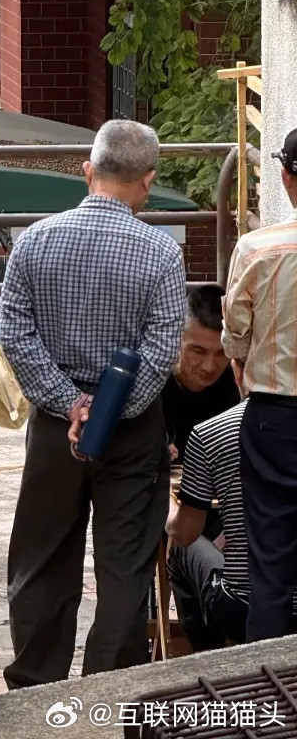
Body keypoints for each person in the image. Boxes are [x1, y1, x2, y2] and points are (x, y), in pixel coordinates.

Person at [0, 119, 187, 688]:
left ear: (88, 170)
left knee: (42, 558)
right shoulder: (161, 253)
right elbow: (160, 352)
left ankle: (37, 685)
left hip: (57, 429)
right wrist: (106, 412)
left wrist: (69, 404)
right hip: (130, 432)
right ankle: (110, 692)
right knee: (124, 563)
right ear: (147, 181)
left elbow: (15, 332)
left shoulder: (35, 240)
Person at [222, 127, 297, 641]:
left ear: (286, 176)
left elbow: (235, 333)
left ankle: (269, 693)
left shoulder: (257, 249)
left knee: (269, 562)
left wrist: (243, 363)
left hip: (276, 416)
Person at [166, 392, 279, 651]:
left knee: (181, 548)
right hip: (270, 599)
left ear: (238, 371)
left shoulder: (213, 431)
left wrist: (166, 503)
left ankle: (208, 657)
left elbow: (184, 533)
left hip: (246, 608)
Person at [162, 284, 240, 463]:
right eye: (198, 351)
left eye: (222, 353)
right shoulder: (151, 387)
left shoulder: (237, 386)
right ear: (175, 340)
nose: (209, 367)